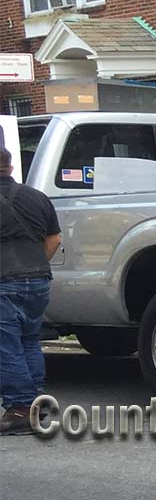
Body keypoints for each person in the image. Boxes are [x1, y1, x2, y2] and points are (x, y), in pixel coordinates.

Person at [0, 146, 62, 436]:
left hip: (4, 281)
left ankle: (21, 409)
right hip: (38, 279)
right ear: (10, 168)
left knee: (6, 346)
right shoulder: (37, 197)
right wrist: (35, 266)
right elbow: (54, 238)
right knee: (29, 341)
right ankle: (37, 401)